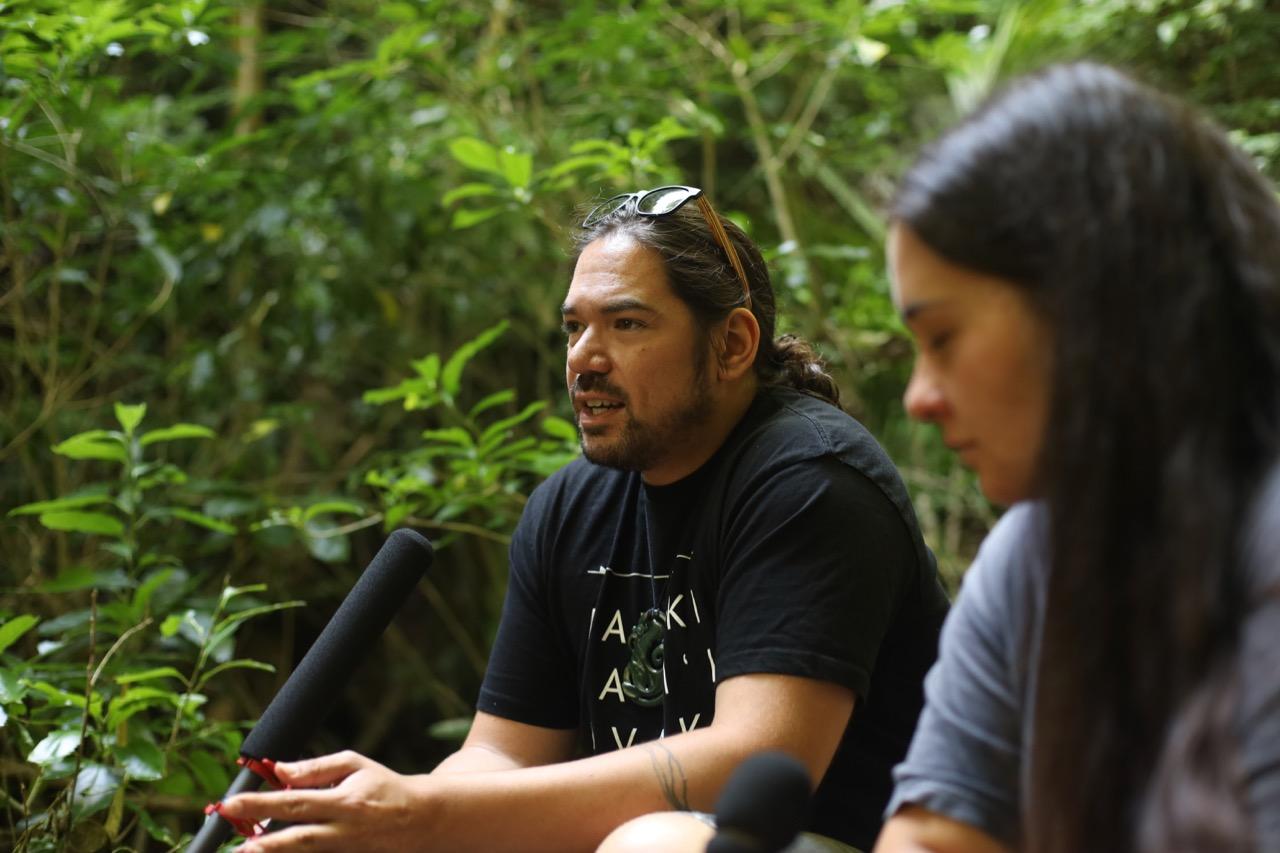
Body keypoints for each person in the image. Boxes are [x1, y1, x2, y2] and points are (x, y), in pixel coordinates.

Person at [221, 185, 950, 852]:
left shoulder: (810, 481)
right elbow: (502, 755)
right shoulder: (570, 506)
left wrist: (428, 812)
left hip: (849, 842)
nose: (584, 359)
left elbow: (755, 758)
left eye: (625, 323)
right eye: (574, 328)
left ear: (731, 345)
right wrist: (382, 815)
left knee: (652, 844)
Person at [873, 62, 1280, 853]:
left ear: (1087, 305)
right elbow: (933, 836)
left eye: (943, 338)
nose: (921, 396)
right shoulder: (1031, 558)